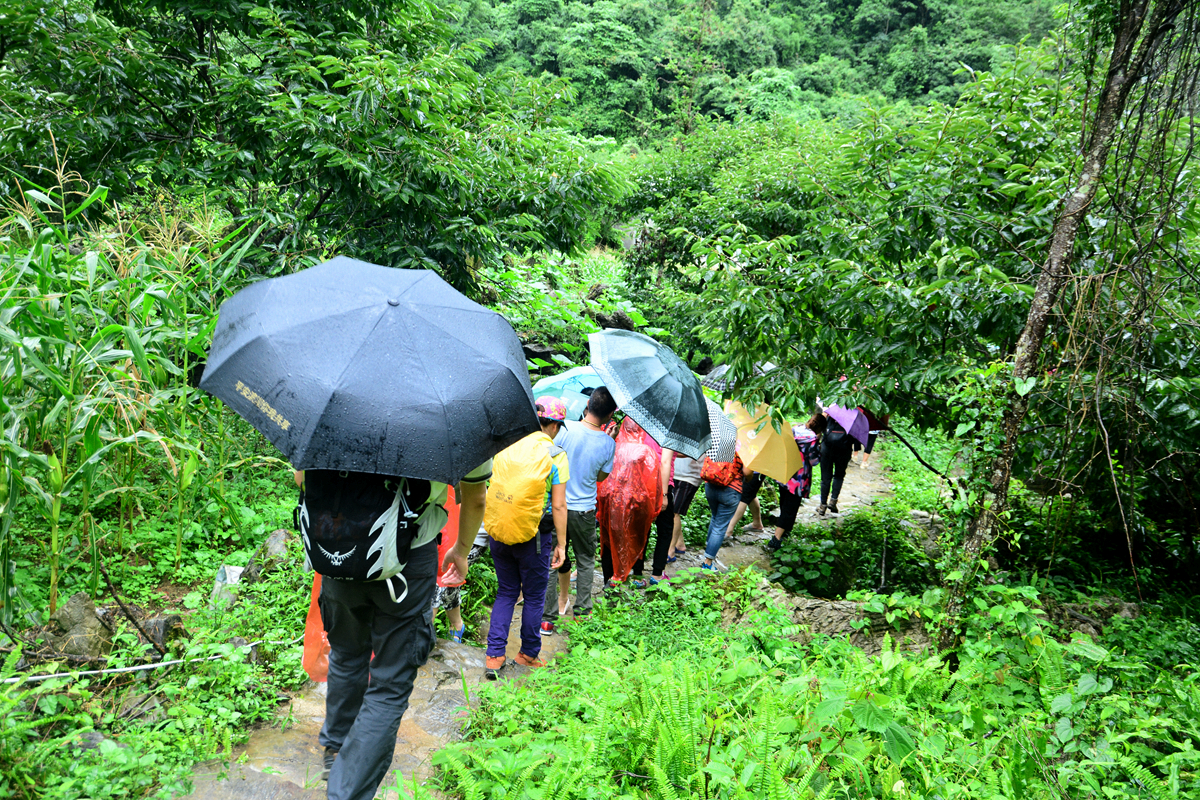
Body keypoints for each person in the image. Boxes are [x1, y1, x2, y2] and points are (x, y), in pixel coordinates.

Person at [295, 460, 489, 798]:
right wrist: (460, 550)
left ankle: (336, 750)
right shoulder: (448, 414)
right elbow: (475, 498)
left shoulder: (336, 410)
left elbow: (302, 478)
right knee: (389, 685)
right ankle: (347, 791)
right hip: (408, 563)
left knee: (346, 655)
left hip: (338, 551)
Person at [483, 398, 568, 678]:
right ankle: (528, 654)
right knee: (533, 597)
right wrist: (562, 545)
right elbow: (558, 506)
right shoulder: (555, 455)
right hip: (532, 538)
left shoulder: (507, 445)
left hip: (499, 530)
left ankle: (494, 656)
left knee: (506, 591)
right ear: (553, 425)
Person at [539, 387, 618, 635]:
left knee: (552, 560)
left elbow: (546, 456)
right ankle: (582, 614)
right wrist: (610, 438)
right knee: (585, 561)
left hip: (554, 507)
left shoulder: (564, 428)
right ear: (609, 416)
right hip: (583, 510)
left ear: (588, 404)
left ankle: (547, 619)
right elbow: (602, 477)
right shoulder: (608, 443)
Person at [597, 417, 662, 585]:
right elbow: (653, 482)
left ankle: (609, 579)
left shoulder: (612, 446)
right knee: (631, 536)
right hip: (635, 501)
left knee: (609, 539)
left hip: (609, 498)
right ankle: (623, 574)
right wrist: (654, 509)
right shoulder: (645, 451)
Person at [766, 414, 826, 551]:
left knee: (784, 503)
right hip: (799, 478)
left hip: (785, 472)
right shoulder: (812, 440)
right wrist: (819, 446)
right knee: (790, 508)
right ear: (820, 428)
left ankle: (785, 530)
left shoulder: (795, 429)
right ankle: (776, 539)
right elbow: (814, 461)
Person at [431, 523, 489, 642]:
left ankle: (421, 633)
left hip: (470, 535)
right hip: (443, 528)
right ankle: (456, 625)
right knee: (448, 582)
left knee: (443, 579)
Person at [700, 452, 744, 569]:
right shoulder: (745, 447)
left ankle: (708, 551)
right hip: (731, 490)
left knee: (715, 518)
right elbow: (748, 472)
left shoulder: (719, 439)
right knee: (720, 526)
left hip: (711, 485)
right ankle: (708, 562)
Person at [818, 412, 854, 515]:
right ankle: (833, 501)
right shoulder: (853, 413)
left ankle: (822, 505)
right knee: (839, 475)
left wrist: (818, 441)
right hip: (844, 448)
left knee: (825, 477)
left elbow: (820, 425)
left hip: (827, 448)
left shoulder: (830, 410)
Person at [668, 454, 702, 560]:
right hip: (675, 473)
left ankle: (670, 551)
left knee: (673, 512)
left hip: (688, 477)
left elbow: (688, 452)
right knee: (672, 510)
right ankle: (679, 544)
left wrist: (667, 450)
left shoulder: (701, 436)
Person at [724, 467, 765, 538]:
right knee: (750, 494)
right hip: (750, 469)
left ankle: (728, 530)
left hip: (755, 470)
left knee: (743, 498)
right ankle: (757, 523)